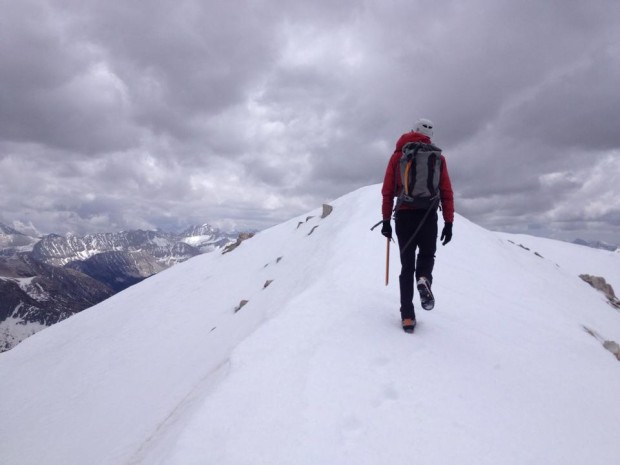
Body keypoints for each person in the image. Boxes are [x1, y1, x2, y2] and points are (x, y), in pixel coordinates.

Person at [380, 118, 454, 333]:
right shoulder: (438, 158)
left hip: (404, 217)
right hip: (428, 215)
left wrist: (386, 221)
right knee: (427, 256)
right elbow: (447, 192)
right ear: (430, 137)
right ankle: (423, 279)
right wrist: (449, 222)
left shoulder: (398, 156)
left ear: (412, 131)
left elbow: (387, 191)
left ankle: (407, 317)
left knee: (406, 267)